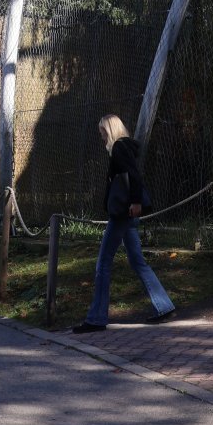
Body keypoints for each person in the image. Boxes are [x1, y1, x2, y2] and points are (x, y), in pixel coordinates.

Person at [71, 114, 174, 333]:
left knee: (103, 263)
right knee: (137, 261)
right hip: (129, 214)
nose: (101, 136)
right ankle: (164, 305)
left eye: (102, 132)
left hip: (122, 214)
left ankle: (97, 318)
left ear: (110, 130)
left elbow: (134, 176)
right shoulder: (125, 147)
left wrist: (135, 201)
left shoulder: (118, 148)